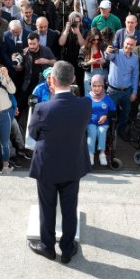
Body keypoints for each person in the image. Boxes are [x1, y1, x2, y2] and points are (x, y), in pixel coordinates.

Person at [28, 61, 90, 264]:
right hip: (72, 164)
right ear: (73, 79)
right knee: (70, 209)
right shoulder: (85, 104)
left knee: (47, 207)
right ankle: (67, 249)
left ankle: (48, 247)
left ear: (52, 81)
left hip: (47, 166)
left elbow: (33, 133)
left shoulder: (41, 108)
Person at [85, 74, 116, 166]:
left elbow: (114, 112)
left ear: (103, 86)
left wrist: (106, 116)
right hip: (91, 122)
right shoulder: (87, 97)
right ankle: (90, 154)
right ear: (91, 86)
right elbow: (81, 111)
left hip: (104, 123)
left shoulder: (107, 98)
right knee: (92, 131)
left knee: (102, 131)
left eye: (99, 86)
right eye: (94, 86)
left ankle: (102, 153)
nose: (96, 88)